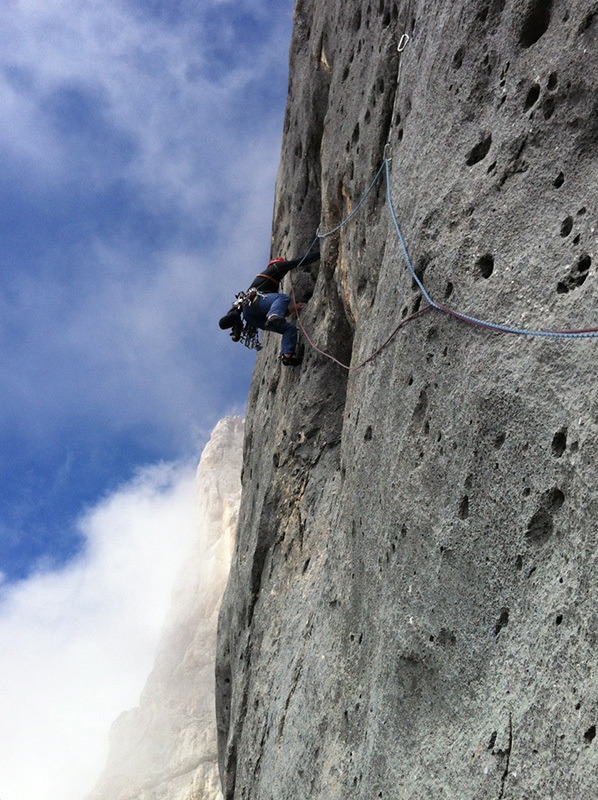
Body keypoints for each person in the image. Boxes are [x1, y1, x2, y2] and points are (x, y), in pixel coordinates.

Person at [219, 251, 320, 366]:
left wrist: (291, 310)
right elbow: (300, 262)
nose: (284, 273)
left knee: (289, 329)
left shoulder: (269, 281)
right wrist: (319, 253)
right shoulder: (275, 268)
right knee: (283, 298)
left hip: (253, 317)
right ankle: (273, 316)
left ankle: (287, 355)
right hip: (254, 302)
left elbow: (272, 310)